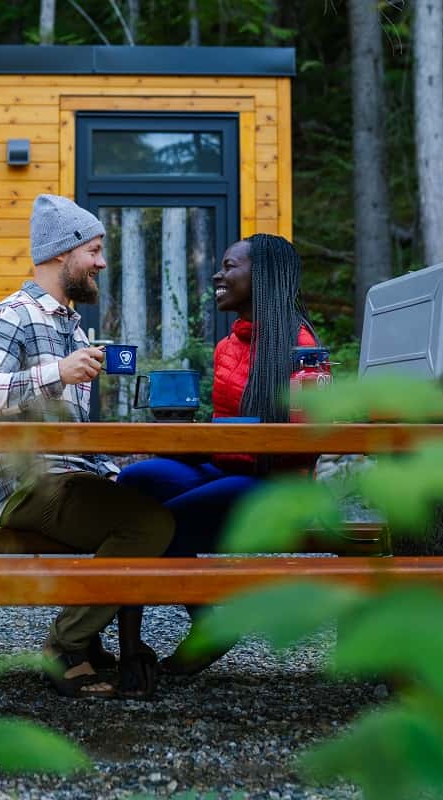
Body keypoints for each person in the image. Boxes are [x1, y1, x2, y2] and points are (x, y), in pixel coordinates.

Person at [0, 193, 174, 699]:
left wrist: (105, 466)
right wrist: (57, 372)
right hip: (25, 483)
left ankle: (92, 641)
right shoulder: (10, 315)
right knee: (148, 523)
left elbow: (69, 432)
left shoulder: (71, 325)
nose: (101, 262)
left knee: (156, 499)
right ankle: (65, 643)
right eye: (94, 250)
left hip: (69, 476)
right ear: (62, 253)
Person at [116, 233, 323, 675]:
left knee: (155, 526)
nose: (218, 274)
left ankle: (209, 626)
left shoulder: (301, 348)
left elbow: (306, 440)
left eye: (229, 266)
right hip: (228, 467)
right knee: (135, 484)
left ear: (262, 276)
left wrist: (214, 444)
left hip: (276, 485)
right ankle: (139, 643)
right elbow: (226, 429)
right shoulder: (229, 346)